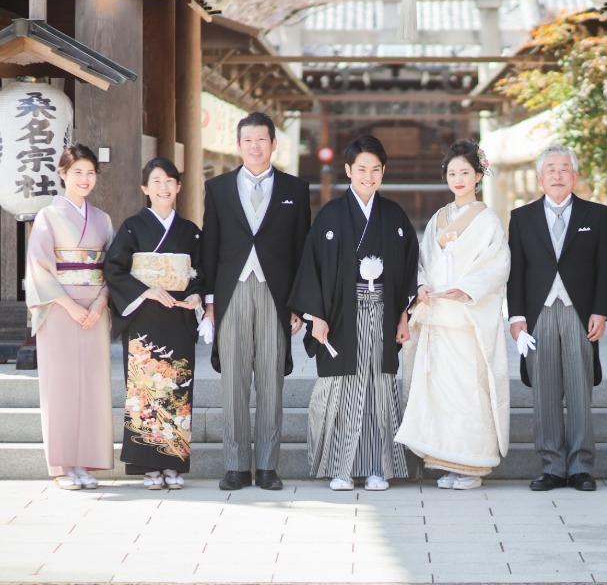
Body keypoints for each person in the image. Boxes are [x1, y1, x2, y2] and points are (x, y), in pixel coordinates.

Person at [289, 135, 418, 491]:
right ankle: (340, 468)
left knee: (378, 387)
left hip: (382, 313)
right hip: (339, 317)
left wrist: (404, 316)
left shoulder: (393, 216)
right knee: (342, 389)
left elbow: (409, 269)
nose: (369, 175)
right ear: (348, 170)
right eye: (361, 168)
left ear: (383, 172)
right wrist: (315, 316)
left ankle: (378, 466)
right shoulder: (331, 214)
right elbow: (311, 268)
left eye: (375, 169)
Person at [202, 112, 310, 491]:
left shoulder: (296, 190)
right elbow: (210, 245)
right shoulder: (217, 189)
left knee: (270, 379)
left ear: (273, 143)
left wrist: (299, 304)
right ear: (238, 144)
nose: (255, 146)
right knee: (232, 379)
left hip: (275, 294)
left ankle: (266, 466)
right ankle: (234, 464)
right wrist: (210, 302)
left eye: (261, 140)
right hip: (232, 291)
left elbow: (302, 251)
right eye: (248, 140)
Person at [395, 140, 510, 490]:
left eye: (465, 172)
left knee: (468, 392)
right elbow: (424, 262)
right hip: (438, 317)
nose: (458, 178)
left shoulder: (488, 220)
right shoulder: (438, 218)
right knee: (441, 392)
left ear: (478, 175)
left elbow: (497, 265)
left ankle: (472, 465)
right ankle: (447, 460)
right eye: (451, 173)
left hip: (468, 318)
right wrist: (422, 286)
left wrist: (469, 288)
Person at [507, 144, 607, 492]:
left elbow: (605, 269)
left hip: (579, 313)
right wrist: (517, 317)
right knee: (545, 390)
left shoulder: (596, 215)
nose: (557, 174)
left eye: (564, 168)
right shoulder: (521, 218)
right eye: (550, 169)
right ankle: (552, 465)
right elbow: (517, 272)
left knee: (580, 388)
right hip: (539, 313)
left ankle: (581, 466)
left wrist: (600, 310)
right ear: (540, 177)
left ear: (574, 175)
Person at [104, 158, 205, 490]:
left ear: (178, 187)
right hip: (144, 319)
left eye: (170, 181)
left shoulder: (190, 231)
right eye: (156, 182)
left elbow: (201, 273)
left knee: (176, 390)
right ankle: (148, 466)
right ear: (145, 189)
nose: (164, 187)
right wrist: (146, 291)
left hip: (177, 318)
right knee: (144, 393)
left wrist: (195, 295)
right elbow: (115, 269)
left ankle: (173, 464)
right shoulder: (133, 227)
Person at [25, 144, 114, 490]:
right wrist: (70, 305)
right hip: (61, 309)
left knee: (93, 386)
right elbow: (39, 267)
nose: (84, 179)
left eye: (90, 173)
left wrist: (101, 301)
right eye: (77, 172)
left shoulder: (103, 220)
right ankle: (63, 465)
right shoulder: (48, 216)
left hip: (95, 309)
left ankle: (87, 462)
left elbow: (114, 268)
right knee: (60, 387)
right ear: (62, 174)